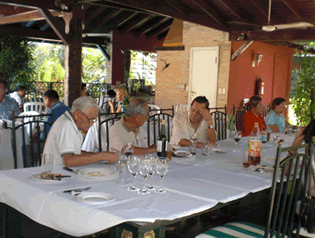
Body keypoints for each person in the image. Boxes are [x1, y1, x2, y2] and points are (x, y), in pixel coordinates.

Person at [43, 96, 118, 167]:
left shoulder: (70, 122)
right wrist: (102, 156)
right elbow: (69, 161)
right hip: (55, 175)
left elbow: (76, 152)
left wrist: (102, 155)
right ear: (78, 114)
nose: (91, 124)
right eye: (90, 120)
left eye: (93, 120)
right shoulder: (66, 124)